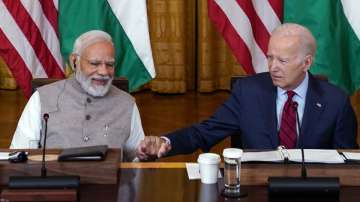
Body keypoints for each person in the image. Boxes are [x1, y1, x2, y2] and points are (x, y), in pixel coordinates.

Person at [137, 23, 358, 161]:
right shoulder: (249, 92)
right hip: (257, 188)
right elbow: (205, 131)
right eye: (270, 57)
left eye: (282, 60)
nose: (273, 67)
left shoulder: (335, 100)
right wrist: (167, 141)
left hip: (314, 192)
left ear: (306, 63)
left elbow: (348, 160)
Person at [10, 30, 144, 161]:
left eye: (110, 64)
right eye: (94, 63)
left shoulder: (127, 103)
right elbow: (19, 156)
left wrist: (145, 154)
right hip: (55, 181)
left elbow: (137, 159)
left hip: (110, 182)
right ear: (74, 61)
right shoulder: (41, 99)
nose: (104, 72)